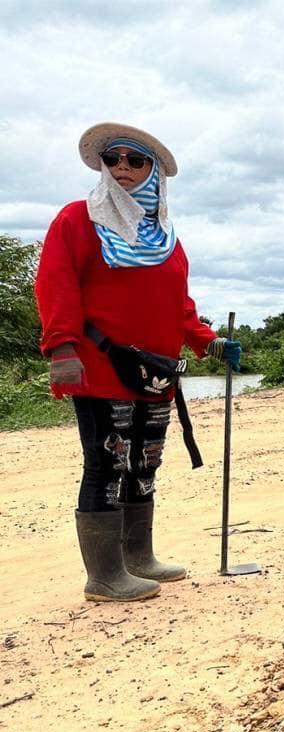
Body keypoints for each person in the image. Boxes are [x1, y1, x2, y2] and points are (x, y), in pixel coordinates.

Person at [35, 122, 239, 603]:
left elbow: (178, 305)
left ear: (154, 172)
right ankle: (104, 576)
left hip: (156, 373)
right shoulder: (77, 220)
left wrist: (208, 342)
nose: (123, 167)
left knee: (145, 461)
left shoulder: (165, 236)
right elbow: (55, 284)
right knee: (108, 462)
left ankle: (138, 558)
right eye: (113, 158)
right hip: (100, 366)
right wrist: (61, 349)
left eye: (135, 159)